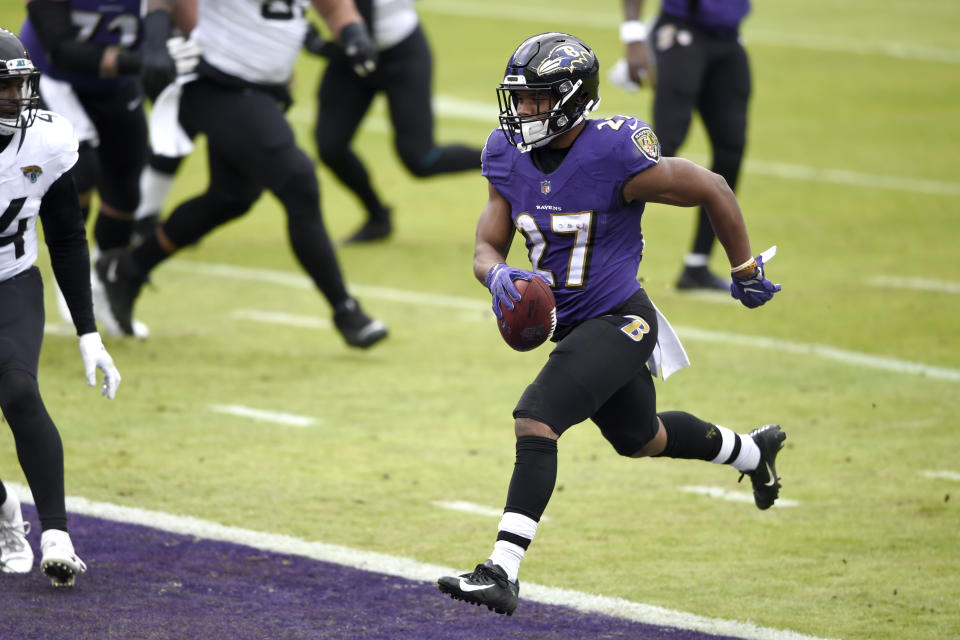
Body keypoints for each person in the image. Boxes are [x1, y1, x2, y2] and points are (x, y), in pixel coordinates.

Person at [436, 32, 783, 616]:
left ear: (571, 99)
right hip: (572, 328)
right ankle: (752, 452)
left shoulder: (614, 153)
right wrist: (496, 276)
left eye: (536, 99)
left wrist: (744, 268)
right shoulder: (506, 154)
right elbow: (486, 245)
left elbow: (713, 188)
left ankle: (501, 569)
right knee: (641, 438)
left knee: (536, 418)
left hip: (622, 319)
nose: (522, 111)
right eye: (518, 99)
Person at [94, 0, 389, 349]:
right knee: (298, 181)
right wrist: (159, 41)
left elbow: (335, 7)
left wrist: (354, 34)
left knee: (230, 198)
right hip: (216, 82)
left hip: (264, 89)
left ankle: (128, 269)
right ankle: (346, 311)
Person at [0, 28, 121, 587]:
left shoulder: (46, 140)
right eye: (4, 88)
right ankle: (5, 513)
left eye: (20, 86)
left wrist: (88, 333)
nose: (16, 99)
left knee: (19, 389)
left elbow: (68, 237)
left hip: (12, 281)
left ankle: (56, 533)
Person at [18, 0, 190, 337]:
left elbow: (182, 17)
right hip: (54, 78)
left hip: (117, 85)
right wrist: (140, 61)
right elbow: (62, 51)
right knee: (80, 175)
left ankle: (107, 282)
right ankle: (73, 279)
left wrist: (172, 48)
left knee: (126, 191)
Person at [304, 0, 482, 244]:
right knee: (330, 147)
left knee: (421, 159)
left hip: (400, 53)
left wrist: (320, 46)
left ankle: (503, 159)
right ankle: (377, 216)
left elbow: (362, 31)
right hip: (349, 53)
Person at [618, 0, 752, 291]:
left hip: (728, 37)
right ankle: (605, 261)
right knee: (659, 151)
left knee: (731, 149)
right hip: (681, 32)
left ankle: (697, 265)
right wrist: (633, 34)